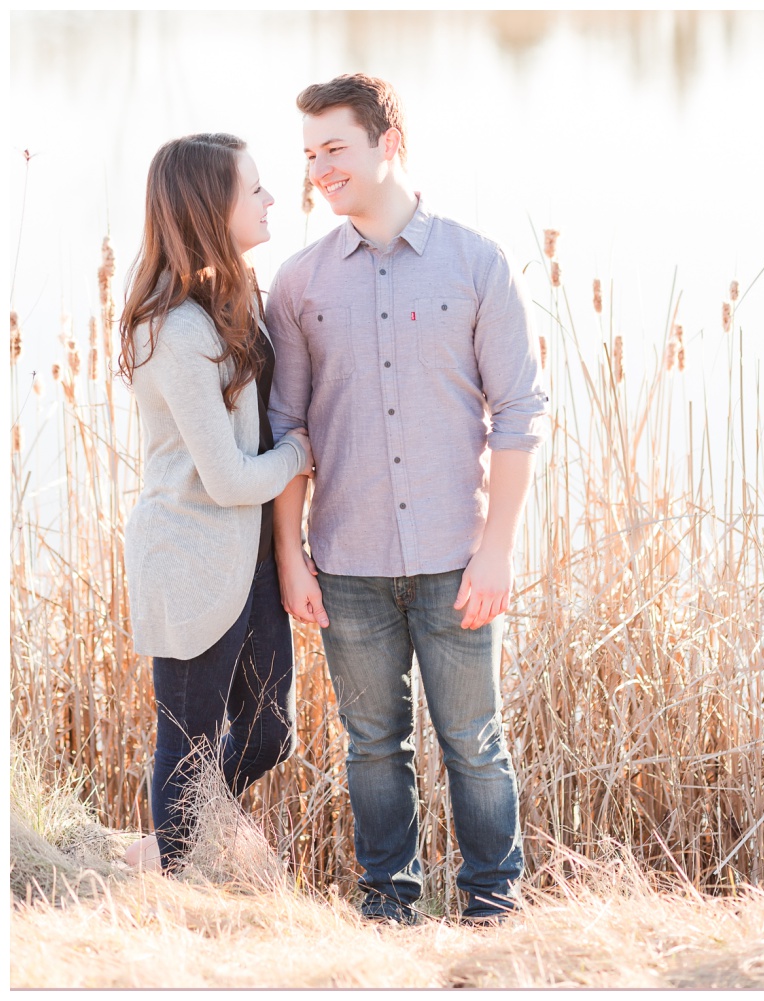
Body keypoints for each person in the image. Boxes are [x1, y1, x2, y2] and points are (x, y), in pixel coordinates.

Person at [267, 73, 546, 924]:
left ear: (388, 144)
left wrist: (497, 548)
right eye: (309, 154)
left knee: (474, 742)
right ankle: (388, 907)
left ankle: (494, 905)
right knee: (373, 748)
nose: (319, 169)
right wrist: (291, 556)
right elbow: (289, 432)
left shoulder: (476, 262)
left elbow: (521, 413)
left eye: (334, 149)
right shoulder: (300, 282)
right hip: (345, 565)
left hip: (455, 559)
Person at [118, 133, 313, 873]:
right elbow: (230, 478)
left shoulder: (230, 298)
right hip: (190, 556)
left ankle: (186, 834)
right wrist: (302, 452)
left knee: (269, 731)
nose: (270, 200)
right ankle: (170, 873)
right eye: (254, 190)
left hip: (248, 554)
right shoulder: (177, 328)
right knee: (189, 740)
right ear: (210, 207)